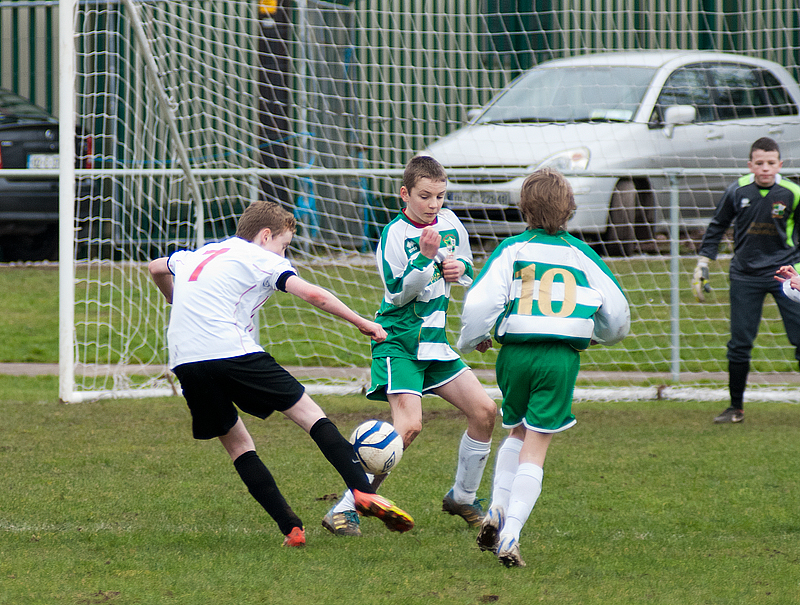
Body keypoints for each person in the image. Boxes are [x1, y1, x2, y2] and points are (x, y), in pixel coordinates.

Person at [148, 200, 414, 548]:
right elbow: (314, 294)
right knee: (309, 415)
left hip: (185, 360)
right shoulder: (259, 257)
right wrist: (364, 323)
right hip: (230, 348)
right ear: (265, 235)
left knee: (239, 445)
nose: (284, 253)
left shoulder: (199, 253)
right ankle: (362, 492)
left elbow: (155, 268)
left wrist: (174, 298)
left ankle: (291, 528)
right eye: (284, 245)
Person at [457, 168, 630, 567]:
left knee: (516, 430)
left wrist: (473, 339)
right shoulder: (581, 254)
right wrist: (595, 332)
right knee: (537, 443)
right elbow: (618, 315)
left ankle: (497, 510)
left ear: (524, 209)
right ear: (570, 209)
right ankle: (511, 533)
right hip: (559, 358)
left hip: (514, 356)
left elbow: (481, 303)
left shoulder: (512, 249)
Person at [321, 155, 497, 537]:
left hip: (434, 342)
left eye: (440, 196)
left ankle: (463, 497)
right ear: (405, 194)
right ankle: (346, 508)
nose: (434, 204)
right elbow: (398, 293)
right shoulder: (394, 235)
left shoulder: (450, 223)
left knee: (484, 412)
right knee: (409, 426)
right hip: (398, 341)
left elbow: (466, 267)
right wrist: (426, 258)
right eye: (425, 196)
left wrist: (459, 271)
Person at [692, 136, 800, 424]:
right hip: (745, 274)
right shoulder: (737, 190)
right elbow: (717, 226)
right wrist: (703, 264)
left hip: (786, 275)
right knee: (739, 343)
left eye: (771, 163)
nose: (765, 168)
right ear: (750, 164)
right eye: (760, 163)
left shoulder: (792, 192)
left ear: (780, 164)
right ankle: (735, 408)